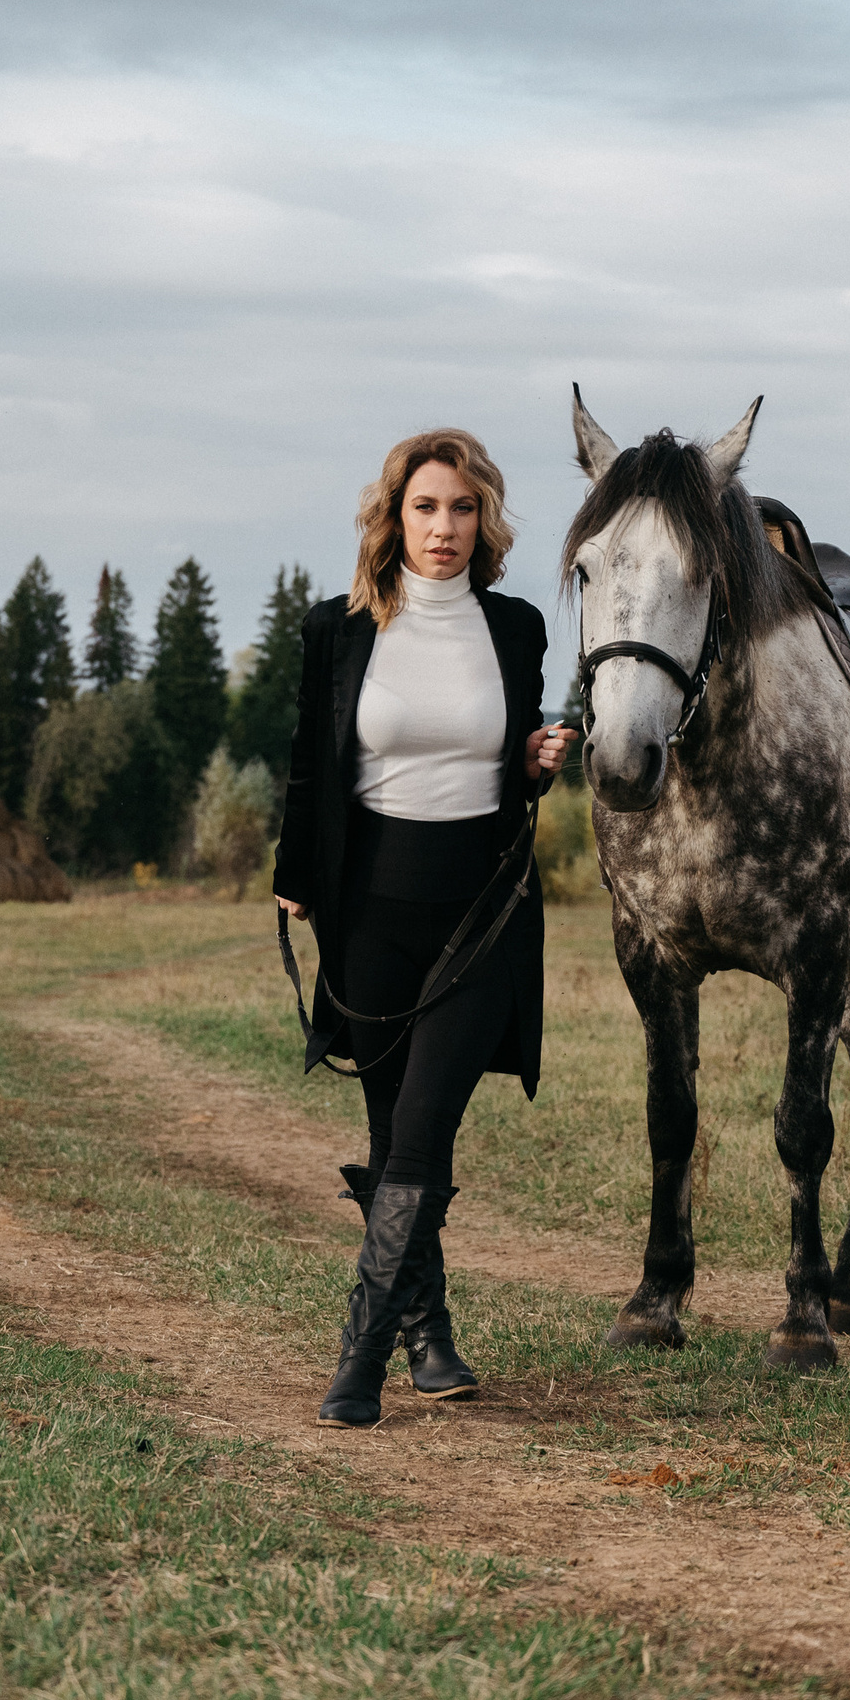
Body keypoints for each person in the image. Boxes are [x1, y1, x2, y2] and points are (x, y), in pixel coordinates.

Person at [273, 427, 570, 1429]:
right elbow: (312, 761)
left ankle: (359, 1354)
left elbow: (511, 755)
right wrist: (291, 877)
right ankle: (430, 1333)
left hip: (478, 910)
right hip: (368, 910)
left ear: (484, 520)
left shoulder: (518, 626)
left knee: (426, 1124)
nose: (443, 527)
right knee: (395, 1130)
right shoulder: (341, 626)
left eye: (462, 508)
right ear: (392, 517)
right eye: (425, 507)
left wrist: (536, 756)